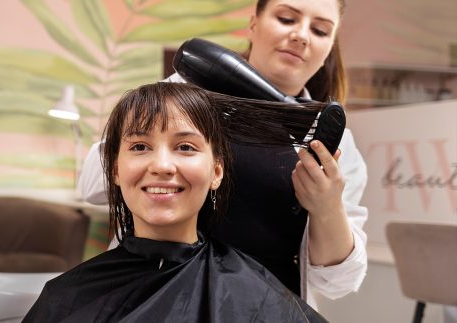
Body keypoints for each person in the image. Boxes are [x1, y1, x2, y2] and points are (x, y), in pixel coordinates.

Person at [78, 0, 368, 307]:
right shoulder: (183, 94)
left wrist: (326, 207)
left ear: (329, 48)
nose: (301, 36)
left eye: (320, 30)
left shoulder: (335, 144)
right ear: (254, 24)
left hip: (264, 307)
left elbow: (338, 281)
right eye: (286, 18)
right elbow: (93, 186)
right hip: (155, 297)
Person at [24, 82, 327, 322]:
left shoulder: (257, 298)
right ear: (115, 169)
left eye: (185, 147)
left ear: (216, 172)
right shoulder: (65, 297)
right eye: (140, 146)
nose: (162, 166)